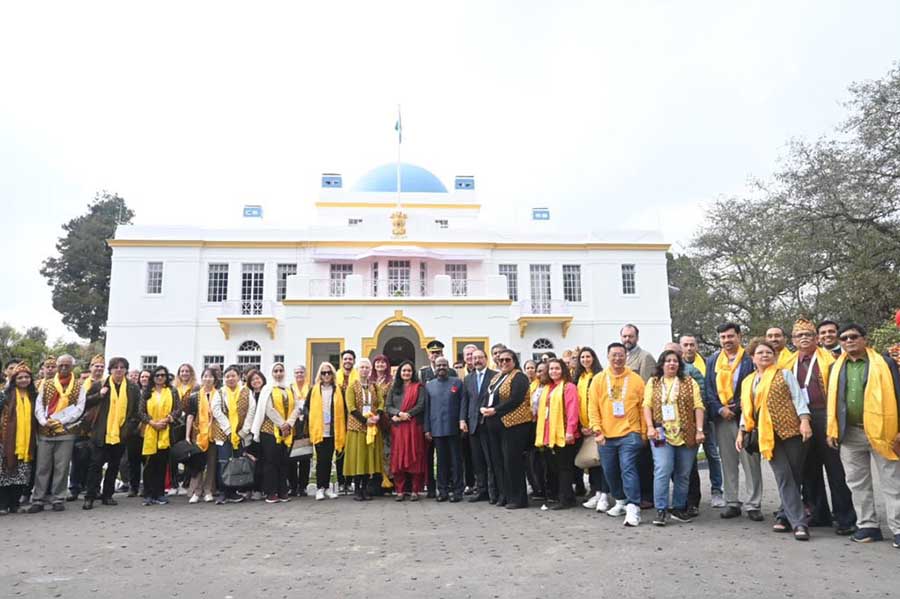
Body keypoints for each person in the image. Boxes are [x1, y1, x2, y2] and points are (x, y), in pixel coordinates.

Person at [826, 324, 900, 547]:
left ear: (864, 339)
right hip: (850, 433)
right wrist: (832, 429)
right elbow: (834, 400)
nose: (849, 341)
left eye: (854, 337)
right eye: (844, 338)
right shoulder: (835, 367)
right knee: (857, 482)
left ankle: (898, 528)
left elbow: (898, 393)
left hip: (883, 432)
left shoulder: (884, 363)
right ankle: (868, 525)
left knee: (892, 482)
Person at [737, 338, 813, 540]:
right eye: (760, 353)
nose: (765, 355)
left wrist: (805, 421)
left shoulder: (785, 375)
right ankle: (799, 523)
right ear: (752, 357)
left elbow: (799, 400)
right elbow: (747, 411)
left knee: (795, 476)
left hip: (792, 432)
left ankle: (783, 516)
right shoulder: (748, 382)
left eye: (768, 352)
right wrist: (741, 431)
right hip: (766, 436)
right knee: (784, 476)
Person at [786, 318, 856, 534]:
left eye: (808, 335)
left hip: (825, 414)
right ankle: (819, 513)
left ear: (816, 338)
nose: (804, 338)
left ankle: (845, 518)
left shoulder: (831, 359)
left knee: (835, 468)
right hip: (800, 418)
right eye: (799, 335)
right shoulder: (788, 363)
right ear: (793, 340)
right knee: (809, 468)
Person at [705, 322, 762, 521]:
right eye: (723, 337)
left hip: (744, 416)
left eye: (730, 336)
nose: (727, 340)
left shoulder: (749, 359)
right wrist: (720, 409)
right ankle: (732, 502)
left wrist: (736, 408)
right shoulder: (712, 360)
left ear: (739, 336)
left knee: (750, 461)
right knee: (728, 462)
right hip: (722, 418)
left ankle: (753, 504)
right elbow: (708, 389)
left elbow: (754, 385)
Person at [643, 349, 706, 525]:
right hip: (660, 432)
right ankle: (661, 509)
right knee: (663, 469)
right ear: (662, 364)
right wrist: (649, 427)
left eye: (675, 361)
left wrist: (700, 430)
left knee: (683, 473)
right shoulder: (653, 382)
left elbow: (698, 406)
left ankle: (678, 508)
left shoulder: (689, 382)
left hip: (687, 432)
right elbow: (646, 405)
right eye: (668, 361)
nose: (672, 364)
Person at [589, 342, 647, 526]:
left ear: (626, 356)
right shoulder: (598, 380)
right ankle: (620, 500)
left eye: (621, 355)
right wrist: (597, 430)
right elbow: (593, 408)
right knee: (610, 471)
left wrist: (643, 432)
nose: (618, 358)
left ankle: (633, 506)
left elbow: (643, 407)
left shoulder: (636, 379)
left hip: (630, 433)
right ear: (608, 357)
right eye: (614, 355)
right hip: (605, 435)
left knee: (628, 467)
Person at [29, 354, 85, 513]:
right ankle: (38, 499)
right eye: (61, 365)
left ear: (72, 367)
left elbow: (80, 408)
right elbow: (39, 405)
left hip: (66, 431)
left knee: (62, 467)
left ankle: (58, 498)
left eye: (67, 365)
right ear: (57, 365)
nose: (63, 368)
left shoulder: (78, 385)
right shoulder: (46, 384)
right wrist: (43, 421)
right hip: (46, 431)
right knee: (42, 467)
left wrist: (62, 421)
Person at [81, 356, 139, 510]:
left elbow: (135, 412)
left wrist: (128, 428)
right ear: (110, 370)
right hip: (101, 432)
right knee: (95, 465)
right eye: (116, 367)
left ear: (126, 370)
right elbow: (86, 403)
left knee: (114, 466)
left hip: (121, 433)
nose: (119, 370)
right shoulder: (100, 384)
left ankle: (108, 495)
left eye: (122, 367)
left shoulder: (132, 388)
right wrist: (99, 394)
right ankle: (90, 496)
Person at [481, 349, 532, 510]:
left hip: (514, 426)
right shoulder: (497, 377)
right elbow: (489, 396)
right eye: (500, 360)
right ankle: (504, 495)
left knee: (512, 462)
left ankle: (518, 498)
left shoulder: (519, 377)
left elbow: (515, 399)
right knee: (498, 462)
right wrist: (483, 408)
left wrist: (495, 410)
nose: (503, 363)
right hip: (496, 426)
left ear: (514, 361)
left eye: (507, 360)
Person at [679, 338, 724, 511]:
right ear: (681, 347)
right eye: (686, 345)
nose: (689, 348)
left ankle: (716, 490)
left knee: (712, 454)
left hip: (707, 418)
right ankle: (690, 497)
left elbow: (709, 391)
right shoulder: (676, 365)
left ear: (697, 346)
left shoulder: (706, 363)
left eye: (692, 345)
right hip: (684, 423)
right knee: (688, 460)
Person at [249, 363, 298, 504]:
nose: (278, 373)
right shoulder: (268, 388)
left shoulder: (289, 388)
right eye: (275, 371)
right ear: (271, 373)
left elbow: (296, 407)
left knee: (283, 462)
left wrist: (289, 423)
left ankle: (283, 491)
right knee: (271, 462)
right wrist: (282, 424)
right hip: (270, 430)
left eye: (281, 370)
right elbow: (269, 409)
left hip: (286, 431)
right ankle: (271, 492)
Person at [534, 358, 580, 509]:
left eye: (557, 368)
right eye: (551, 369)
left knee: (564, 467)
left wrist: (570, 431)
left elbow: (572, 410)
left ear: (563, 370)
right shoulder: (549, 387)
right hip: (549, 432)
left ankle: (565, 499)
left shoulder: (569, 387)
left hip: (565, 432)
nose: (554, 371)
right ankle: (565, 496)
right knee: (555, 467)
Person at [621, 324, 655, 508]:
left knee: (643, 460)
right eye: (625, 336)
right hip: (621, 418)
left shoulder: (645, 357)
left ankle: (647, 496)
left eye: (630, 336)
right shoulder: (620, 357)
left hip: (640, 415)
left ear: (637, 337)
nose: (627, 339)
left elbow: (646, 389)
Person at [419, 340, 458, 499]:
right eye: (432, 353)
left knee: (450, 457)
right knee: (429, 457)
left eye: (438, 353)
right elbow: (422, 400)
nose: (435, 356)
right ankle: (431, 487)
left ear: (442, 354)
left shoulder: (452, 373)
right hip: (432, 422)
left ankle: (450, 486)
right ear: (429, 355)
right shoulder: (423, 373)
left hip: (449, 422)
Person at [211, 365, 255, 504]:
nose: (230, 378)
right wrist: (229, 430)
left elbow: (251, 411)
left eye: (233, 376)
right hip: (224, 434)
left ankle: (234, 491)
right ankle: (223, 492)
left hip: (241, 434)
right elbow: (216, 410)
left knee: (236, 462)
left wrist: (244, 431)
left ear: (239, 377)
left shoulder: (246, 391)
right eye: (227, 376)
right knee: (224, 462)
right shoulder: (220, 392)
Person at [138, 366, 181, 506]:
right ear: (153, 377)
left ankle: (160, 494)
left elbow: (178, 409)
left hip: (165, 431)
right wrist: (152, 422)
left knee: (162, 464)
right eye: (157, 375)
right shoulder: (147, 392)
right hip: (150, 430)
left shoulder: (172, 391)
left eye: (163, 375)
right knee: (150, 464)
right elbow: (140, 411)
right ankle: (148, 494)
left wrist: (168, 419)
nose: (160, 378)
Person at [342, 358, 383, 501]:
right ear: (358, 370)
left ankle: (365, 488)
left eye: (367, 367)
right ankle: (357, 489)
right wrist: (365, 420)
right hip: (357, 427)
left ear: (370, 370)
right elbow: (351, 408)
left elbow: (380, 402)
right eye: (362, 367)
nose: (364, 370)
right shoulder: (352, 386)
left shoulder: (374, 386)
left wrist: (378, 415)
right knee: (358, 459)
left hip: (371, 427)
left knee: (367, 459)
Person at [424, 356, 465, 502]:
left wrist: (462, 421)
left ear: (448, 367)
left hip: (454, 428)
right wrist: (427, 429)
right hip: (437, 428)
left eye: (444, 365)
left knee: (456, 461)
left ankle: (458, 490)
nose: (441, 367)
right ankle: (442, 491)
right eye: (439, 365)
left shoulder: (457, 383)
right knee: (441, 462)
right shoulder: (429, 385)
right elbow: (427, 409)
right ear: (435, 367)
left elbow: (463, 404)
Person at [574, 347, 610, 512]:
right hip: (584, 427)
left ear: (594, 358)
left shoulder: (599, 377)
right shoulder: (579, 377)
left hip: (598, 426)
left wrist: (595, 425)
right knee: (592, 462)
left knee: (601, 462)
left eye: (588, 357)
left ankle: (604, 495)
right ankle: (595, 491)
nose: (585, 360)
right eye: (582, 357)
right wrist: (582, 426)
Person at [460, 349, 497, 503]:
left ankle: (493, 492)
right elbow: (465, 400)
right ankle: (481, 490)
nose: (477, 361)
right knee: (477, 460)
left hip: (489, 423)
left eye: (480, 358)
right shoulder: (468, 378)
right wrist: (462, 420)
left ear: (486, 359)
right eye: (474, 358)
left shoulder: (494, 376)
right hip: (473, 424)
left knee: (491, 460)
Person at [69, 354, 107, 503]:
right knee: (78, 459)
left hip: (99, 427)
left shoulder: (107, 383)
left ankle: (94, 489)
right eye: (96, 366)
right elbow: (82, 403)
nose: (98, 369)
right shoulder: (81, 384)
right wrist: (99, 395)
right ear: (91, 367)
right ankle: (74, 488)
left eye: (101, 366)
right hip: (82, 427)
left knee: (96, 461)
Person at [306, 362, 346, 501]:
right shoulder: (314, 390)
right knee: (320, 460)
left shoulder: (338, 389)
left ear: (333, 374)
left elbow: (344, 409)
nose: (326, 375)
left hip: (333, 430)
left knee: (329, 460)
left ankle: (328, 488)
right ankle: (319, 488)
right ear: (320, 375)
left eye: (329, 372)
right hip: (319, 429)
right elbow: (307, 408)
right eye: (323, 373)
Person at [0, 363, 36, 514]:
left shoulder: (34, 395)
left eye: (27, 377)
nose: (23, 380)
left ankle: (15, 504)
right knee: (5, 474)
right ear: (14, 379)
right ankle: (2, 505)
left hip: (26, 442)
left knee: (21, 475)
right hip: (6, 440)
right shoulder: (5, 395)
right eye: (20, 377)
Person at [388, 360, 426, 501]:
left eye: (409, 370)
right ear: (400, 373)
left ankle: (415, 490)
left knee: (414, 457)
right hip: (398, 428)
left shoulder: (419, 387)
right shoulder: (394, 388)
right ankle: (400, 490)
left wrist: (406, 415)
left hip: (413, 426)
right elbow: (388, 406)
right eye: (404, 370)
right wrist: (398, 413)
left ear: (413, 372)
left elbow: (421, 405)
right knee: (398, 458)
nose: (406, 373)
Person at [184, 367, 218, 504]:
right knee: (198, 464)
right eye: (205, 376)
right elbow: (190, 416)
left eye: (210, 376)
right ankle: (197, 491)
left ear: (215, 379)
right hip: (198, 434)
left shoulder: (219, 394)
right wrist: (187, 435)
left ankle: (208, 490)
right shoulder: (195, 396)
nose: (207, 379)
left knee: (211, 463)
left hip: (214, 434)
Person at [126, 368, 152, 497]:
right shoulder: (134, 392)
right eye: (142, 377)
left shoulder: (154, 393)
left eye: (147, 377)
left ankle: (146, 487)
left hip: (149, 430)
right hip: (134, 431)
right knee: (133, 460)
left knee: (147, 461)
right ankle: (133, 487)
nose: (144, 379)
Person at [335, 350, 357, 495]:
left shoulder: (357, 376)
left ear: (354, 361)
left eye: (350, 359)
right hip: (339, 417)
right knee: (340, 449)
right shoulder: (335, 376)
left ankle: (350, 482)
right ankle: (341, 482)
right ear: (342, 361)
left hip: (354, 417)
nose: (347, 361)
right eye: (345, 359)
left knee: (352, 450)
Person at [287, 365, 311, 497]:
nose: (299, 375)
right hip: (293, 426)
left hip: (306, 426)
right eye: (297, 372)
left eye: (301, 372)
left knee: (305, 458)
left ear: (305, 373)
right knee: (291, 458)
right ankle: (293, 486)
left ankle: (303, 486)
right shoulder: (290, 388)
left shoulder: (310, 388)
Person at [372, 355, 394, 495]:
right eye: (377, 362)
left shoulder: (391, 381)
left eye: (383, 362)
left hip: (387, 421)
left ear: (387, 365)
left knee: (387, 452)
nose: (380, 365)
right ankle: (376, 482)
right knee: (375, 451)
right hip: (372, 421)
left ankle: (389, 483)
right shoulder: (370, 381)